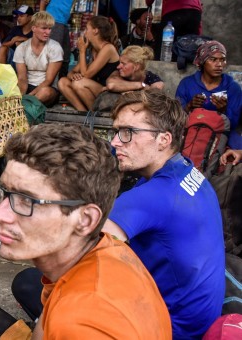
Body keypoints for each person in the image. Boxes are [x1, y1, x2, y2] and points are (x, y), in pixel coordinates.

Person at [0, 123, 171, 339]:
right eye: (5, 193)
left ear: (85, 219)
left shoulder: (79, 325)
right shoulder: (107, 246)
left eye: (27, 201)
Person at [103, 89, 225, 339]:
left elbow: (78, 249)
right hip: (199, 320)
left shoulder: (153, 195)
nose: (115, 142)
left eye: (128, 133)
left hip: (170, 329)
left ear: (164, 139)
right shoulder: (187, 170)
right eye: (115, 131)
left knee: (30, 283)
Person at [176, 41, 242, 149]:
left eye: (222, 59)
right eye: (213, 59)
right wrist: (189, 106)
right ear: (202, 62)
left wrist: (223, 111)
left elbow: (233, 124)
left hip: (222, 131)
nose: (219, 65)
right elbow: (176, 118)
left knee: (239, 149)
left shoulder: (233, 88)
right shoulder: (187, 84)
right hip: (191, 128)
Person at [57, 16, 120, 111]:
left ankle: (94, 115)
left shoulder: (108, 48)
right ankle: (83, 112)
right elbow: (72, 72)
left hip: (107, 93)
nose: (84, 32)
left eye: (87, 29)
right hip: (93, 90)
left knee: (78, 83)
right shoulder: (92, 49)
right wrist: (74, 76)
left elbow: (86, 75)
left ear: (95, 31)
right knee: (63, 82)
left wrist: (82, 51)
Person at [13, 11, 62, 106]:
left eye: (49, 29)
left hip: (47, 88)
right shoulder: (21, 48)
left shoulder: (55, 47)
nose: (48, 32)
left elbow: (49, 80)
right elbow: (22, 78)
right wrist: (21, 95)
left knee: (45, 92)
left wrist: (29, 97)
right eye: (44, 28)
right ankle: (25, 106)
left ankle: (25, 106)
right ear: (34, 28)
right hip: (28, 86)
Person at [39, 0, 73, 71]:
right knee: (54, 57)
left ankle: (61, 80)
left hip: (63, 22)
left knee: (65, 57)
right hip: (54, 21)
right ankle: (51, 80)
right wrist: (41, 19)